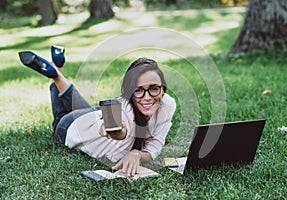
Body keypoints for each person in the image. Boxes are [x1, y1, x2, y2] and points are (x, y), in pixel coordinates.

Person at [18, 46, 176, 177]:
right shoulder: (122, 110)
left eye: (154, 88)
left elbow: (154, 147)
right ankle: (57, 76)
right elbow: (119, 133)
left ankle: (56, 70)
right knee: (59, 120)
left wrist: (137, 154)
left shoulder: (167, 104)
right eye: (138, 90)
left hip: (93, 115)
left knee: (85, 110)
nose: (147, 97)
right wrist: (113, 129)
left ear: (163, 89)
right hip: (72, 126)